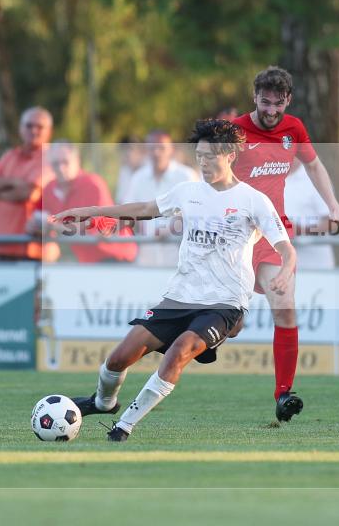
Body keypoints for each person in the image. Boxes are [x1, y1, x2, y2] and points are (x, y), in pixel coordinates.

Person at [51, 119, 295, 441]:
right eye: (199, 157)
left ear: (230, 155)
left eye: (211, 156)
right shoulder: (188, 192)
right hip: (180, 296)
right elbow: (142, 208)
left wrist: (285, 271)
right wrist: (88, 211)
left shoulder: (254, 200)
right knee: (119, 358)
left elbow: (286, 249)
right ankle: (103, 402)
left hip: (225, 303)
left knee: (178, 351)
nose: (204, 163)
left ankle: (123, 426)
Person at [232, 66, 339, 422]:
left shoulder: (294, 129)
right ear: (254, 97)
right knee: (232, 321)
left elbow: (316, 167)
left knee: (285, 308)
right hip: (237, 235)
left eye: (278, 103)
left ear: (287, 100)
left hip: (273, 233)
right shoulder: (237, 132)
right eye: (265, 102)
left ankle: (284, 394)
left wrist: (334, 208)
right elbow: (213, 175)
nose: (271, 110)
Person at [28, 142, 137, 263]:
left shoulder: (93, 184)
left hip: (116, 256)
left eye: (65, 162)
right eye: (55, 163)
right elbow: (37, 218)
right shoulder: (49, 189)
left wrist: (54, 227)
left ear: (77, 161)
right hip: (87, 261)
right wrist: (34, 226)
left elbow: (94, 227)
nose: (60, 168)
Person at [0, 106, 54, 261]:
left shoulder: (52, 158)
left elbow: (27, 194)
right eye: (29, 125)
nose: (33, 130)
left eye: (39, 127)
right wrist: (13, 182)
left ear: (49, 131)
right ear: (20, 128)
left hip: (33, 250)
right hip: (3, 246)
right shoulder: (10, 156)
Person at [123, 130, 198, 266]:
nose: (156, 152)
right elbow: (127, 212)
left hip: (180, 261)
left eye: (161, 148)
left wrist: (171, 228)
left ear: (171, 150)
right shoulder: (138, 178)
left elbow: (198, 211)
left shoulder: (186, 176)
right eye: (152, 148)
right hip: (146, 260)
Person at [284, 160, 335, 270]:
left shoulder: (317, 178)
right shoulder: (267, 176)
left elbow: (333, 222)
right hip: (279, 269)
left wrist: (300, 230)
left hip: (315, 268)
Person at [114, 135, 145, 205]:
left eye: (130, 150)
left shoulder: (148, 171)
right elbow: (120, 200)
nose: (124, 156)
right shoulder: (124, 171)